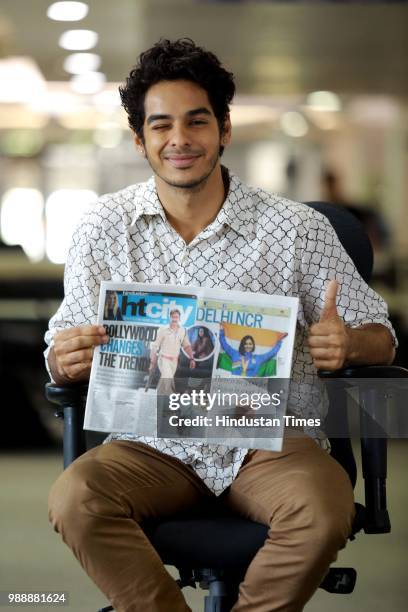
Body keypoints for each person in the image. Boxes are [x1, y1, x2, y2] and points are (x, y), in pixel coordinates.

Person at [46, 39, 397, 612]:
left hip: (273, 443)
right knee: (77, 498)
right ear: (140, 140)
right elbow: (62, 348)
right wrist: (65, 356)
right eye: (161, 126)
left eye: (196, 121)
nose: (179, 139)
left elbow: (380, 338)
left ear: (224, 129)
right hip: (152, 442)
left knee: (321, 510)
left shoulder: (297, 229)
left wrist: (352, 342)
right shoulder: (101, 229)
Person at [149, 308, 195, 394]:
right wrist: (152, 362)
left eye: (176, 317)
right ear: (170, 318)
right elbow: (155, 346)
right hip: (163, 359)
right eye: (173, 317)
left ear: (179, 318)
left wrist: (192, 359)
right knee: (168, 379)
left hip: (174, 361)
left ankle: (158, 403)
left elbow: (187, 346)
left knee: (164, 383)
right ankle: (172, 398)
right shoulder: (162, 330)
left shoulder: (183, 331)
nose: (174, 319)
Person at [219, 324, 286, 376]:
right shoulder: (234, 353)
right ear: (242, 344)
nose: (248, 345)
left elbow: (271, 353)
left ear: (253, 345)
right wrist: (222, 330)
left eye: (250, 344)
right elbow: (224, 345)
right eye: (246, 343)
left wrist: (279, 341)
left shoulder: (257, 358)